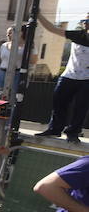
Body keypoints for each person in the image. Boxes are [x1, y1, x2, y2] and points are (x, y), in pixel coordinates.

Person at [36, 12, 89, 143]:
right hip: (69, 75)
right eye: (84, 20)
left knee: (81, 107)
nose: (84, 23)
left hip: (86, 80)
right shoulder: (77, 35)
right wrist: (39, 15)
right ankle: (55, 129)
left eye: (87, 21)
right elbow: (52, 29)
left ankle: (73, 132)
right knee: (59, 101)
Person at [0, 26, 25, 99]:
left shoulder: (23, 47)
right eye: (7, 33)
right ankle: (1, 109)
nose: (8, 35)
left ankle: (10, 109)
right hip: (2, 71)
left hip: (15, 73)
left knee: (13, 95)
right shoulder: (3, 45)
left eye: (10, 32)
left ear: (19, 33)